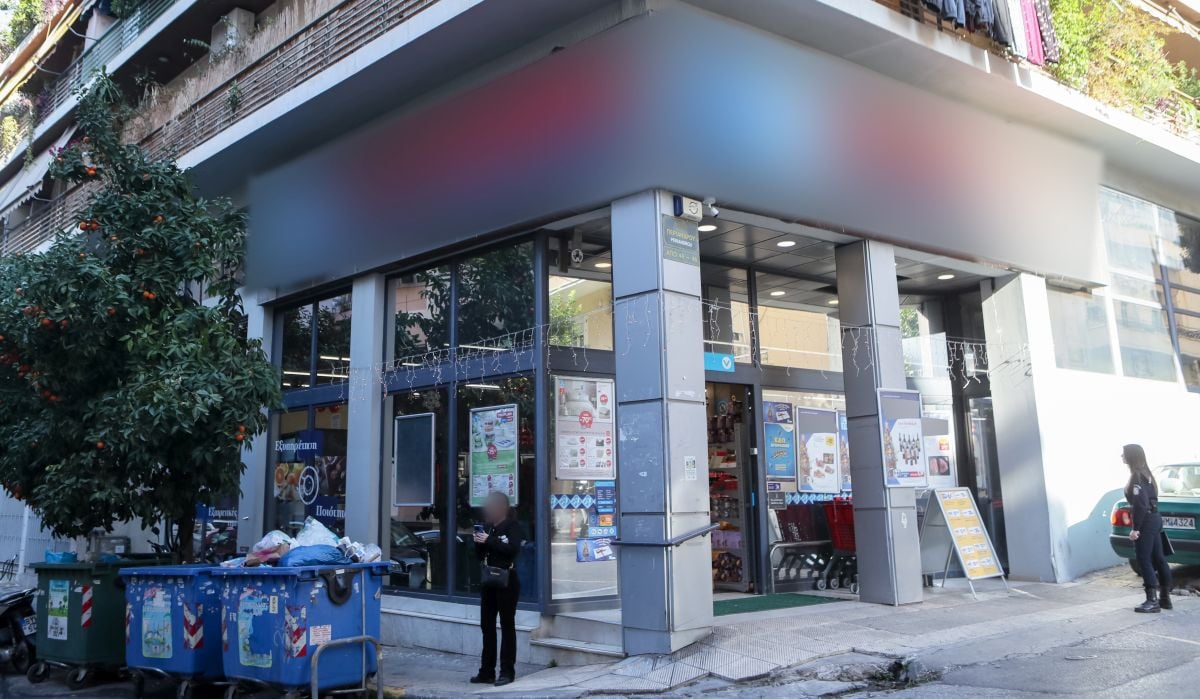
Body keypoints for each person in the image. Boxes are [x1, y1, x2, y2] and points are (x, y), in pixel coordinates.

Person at [470, 491, 524, 686]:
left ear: (502, 508)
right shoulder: (488, 528)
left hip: (507, 580)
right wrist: (479, 542)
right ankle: (487, 671)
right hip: (489, 581)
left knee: (507, 625)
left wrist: (489, 540)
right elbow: (480, 556)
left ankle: (507, 671)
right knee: (487, 625)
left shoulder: (513, 527)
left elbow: (512, 549)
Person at [1123, 444, 1172, 613]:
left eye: (1124, 453)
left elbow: (1141, 504)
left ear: (1131, 456)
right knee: (1159, 558)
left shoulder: (1137, 476)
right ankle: (1165, 599)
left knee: (1143, 559)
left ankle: (1152, 601)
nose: (1121, 456)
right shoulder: (1147, 474)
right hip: (1155, 518)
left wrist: (1135, 528)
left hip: (1146, 521)